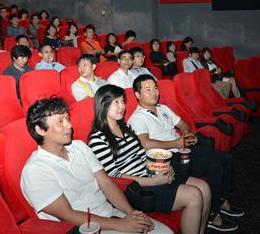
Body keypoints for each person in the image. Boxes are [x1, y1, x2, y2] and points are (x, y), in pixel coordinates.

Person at [20, 97, 171, 233]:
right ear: (39, 130)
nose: (69, 125)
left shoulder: (79, 147)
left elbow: (105, 182)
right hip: (83, 228)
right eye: (60, 121)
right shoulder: (35, 171)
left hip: (109, 214)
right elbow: (68, 215)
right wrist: (121, 225)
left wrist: (130, 213)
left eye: (67, 118)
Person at [89, 85, 211, 234]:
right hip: (134, 189)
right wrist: (154, 181)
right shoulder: (97, 139)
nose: (122, 106)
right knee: (194, 195)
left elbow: (142, 154)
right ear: (103, 105)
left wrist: (163, 168)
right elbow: (113, 176)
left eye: (122, 101)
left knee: (204, 188)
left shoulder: (125, 127)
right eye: (116, 102)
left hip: (150, 175)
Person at [128, 74, 243, 232]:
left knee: (226, 158)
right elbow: (145, 143)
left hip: (182, 148)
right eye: (147, 90)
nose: (154, 92)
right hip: (168, 158)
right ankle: (213, 215)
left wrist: (187, 134)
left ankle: (223, 199)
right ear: (137, 95)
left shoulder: (163, 108)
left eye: (155, 88)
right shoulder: (137, 118)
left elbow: (182, 124)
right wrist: (175, 143)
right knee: (215, 167)